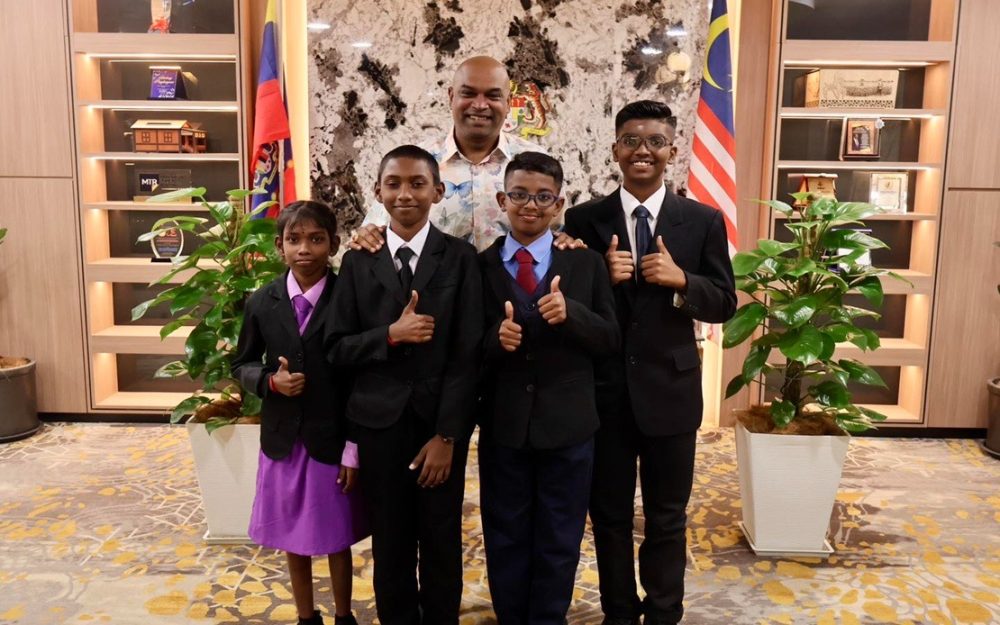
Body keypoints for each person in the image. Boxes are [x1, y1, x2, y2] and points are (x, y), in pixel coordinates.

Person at [563, 100, 737, 625]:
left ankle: (664, 612)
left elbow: (725, 302)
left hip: (671, 391)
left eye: (656, 142)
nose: (644, 150)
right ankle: (619, 612)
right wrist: (599, 274)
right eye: (632, 141)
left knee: (667, 515)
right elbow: (573, 304)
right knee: (609, 516)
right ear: (615, 149)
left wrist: (682, 280)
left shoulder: (702, 220)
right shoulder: (583, 219)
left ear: (672, 151)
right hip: (607, 392)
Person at [326, 145, 483, 625]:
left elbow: (468, 356)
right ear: (378, 192)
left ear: (438, 191)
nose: (405, 194)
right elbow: (336, 349)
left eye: (418, 183)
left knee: (441, 540)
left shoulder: (460, 258)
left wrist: (448, 435)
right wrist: (389, 335)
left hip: (438, 426)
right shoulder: (359, 261)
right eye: (393, 184)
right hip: (378, 425)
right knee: (390, 542)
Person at [478, 151, 619, 625]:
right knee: (505, 534)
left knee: (560, 536)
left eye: (543, 197)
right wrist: (494, 340)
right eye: (519, 195)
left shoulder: (586, 264)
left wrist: (572, 315)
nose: (530, 205)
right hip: (504, 427)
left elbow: (610, 338)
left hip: (569, 426)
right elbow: (464, 347)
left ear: (559, 205)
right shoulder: (480, 266)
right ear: (503, 200)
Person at [231, 200, 367, 625]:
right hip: (284, 441)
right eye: (294, 239)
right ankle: (306, 616)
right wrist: (270, 382)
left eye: (315, 239)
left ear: (333, 244)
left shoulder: (350, 297)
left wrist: (353, 448)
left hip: (333, 440)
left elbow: (361, 379)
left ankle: (343, 615)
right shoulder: (262, 301)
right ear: (279, 246)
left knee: (336, 535)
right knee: (293, 535)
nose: (304, 248)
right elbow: (241, 363)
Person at [352, 55, 581, 253]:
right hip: (435, 290)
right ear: (451, 96)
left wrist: (567, 241)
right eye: (468, 93)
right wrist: (367, 235)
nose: (480, 105)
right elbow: (376, 229)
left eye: (493, 96)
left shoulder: (535, 161)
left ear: (508, 102)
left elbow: (559, 232)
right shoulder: (415, 163)